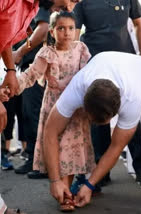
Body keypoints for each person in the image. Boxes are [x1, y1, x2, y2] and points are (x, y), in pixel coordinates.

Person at [40, 51, 141, 208]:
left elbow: (116, 148)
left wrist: (89, 185)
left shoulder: (132, 99)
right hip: (108, 65)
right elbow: (50, 131)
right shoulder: (78, 86)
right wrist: (54, 180)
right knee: (67, 125)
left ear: (116, 113)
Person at [73, 0, 141, 188]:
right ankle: (102, 174)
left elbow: (139, 25)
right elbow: (75, 37)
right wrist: (76, 66)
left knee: (131, 116)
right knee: (99, 119)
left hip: (126, 63)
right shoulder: (82, 4)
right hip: (94, 64)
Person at [15, 11, 93, 212]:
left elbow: (89, 76)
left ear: (76, 31)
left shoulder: (81, 50)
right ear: (52, 31)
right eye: (61, 28)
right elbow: (31, 75)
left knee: (71, 148)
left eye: (70, 28)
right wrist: (13, 85)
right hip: (54, 107)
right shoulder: (46, 53)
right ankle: (65, 194)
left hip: (76, 109)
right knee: (58, 149)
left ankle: (67, 190)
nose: (66, 33)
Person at [0, 0, 80, 135]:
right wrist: (19, 53)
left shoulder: (33, 6)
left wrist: (11, 70)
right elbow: (42, 29)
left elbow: (3, 33)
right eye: (73, 0)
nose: (69, 8)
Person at [12, 6, 50, 178]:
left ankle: (39, 162)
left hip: (36, 68)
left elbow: (42, 30)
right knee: (28, 114)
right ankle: (34, 159)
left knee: (34, 114)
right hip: (30, 67)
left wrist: (20, 51)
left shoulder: (41, 6)